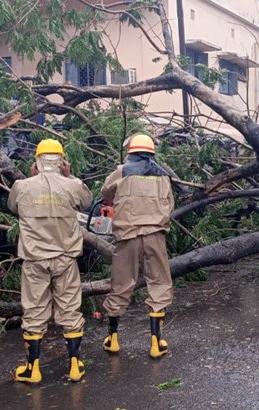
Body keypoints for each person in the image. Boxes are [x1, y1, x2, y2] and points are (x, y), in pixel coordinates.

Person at [7, 139, 92, 383]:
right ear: (63, 162)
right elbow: (87, 202)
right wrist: (71, 176)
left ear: (36, 162)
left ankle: (32, 369)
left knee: (34, 311)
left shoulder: (22, 186)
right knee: (69, 309)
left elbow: (13, 207)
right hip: (65, 258)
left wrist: (32, 179)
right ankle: (75, 365)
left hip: (34, 260)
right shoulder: (72, 185)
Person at [100, 132, 175, 359]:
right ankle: (156, 341)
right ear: (152, 152)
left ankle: (112, 339)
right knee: (159, 284)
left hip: (127, 236)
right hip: (155, 236)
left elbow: (105, 193)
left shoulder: (122, 170)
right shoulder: (163, 175)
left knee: (121, 285)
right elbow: (169, 205)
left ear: (130, 151)